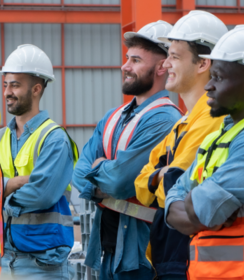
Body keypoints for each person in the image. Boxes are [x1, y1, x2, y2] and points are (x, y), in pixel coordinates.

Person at [72, 21, 182, 279]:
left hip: (143, 255)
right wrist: (102, 180)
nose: (125, 66)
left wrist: (98, 171)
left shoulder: (164, 119)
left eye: (135, 60)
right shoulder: (113, 117)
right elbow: (78, 174)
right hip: (109, 251)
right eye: (126, 58)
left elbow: (120, 182)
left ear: (160, 67)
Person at [134, 11, 228, 280]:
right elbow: (142, 187)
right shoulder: (183, 123)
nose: (166, 64)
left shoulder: (211, 120)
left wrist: (159, 177)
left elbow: (178, 190)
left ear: (202, 64)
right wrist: (158, 177)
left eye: (175, 56)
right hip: (169, 257)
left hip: (188, 259)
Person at [0, 44, 79, 280]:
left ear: (36, 89)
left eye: (15, 85)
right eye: (5, 84)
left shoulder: (55, 138)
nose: (7, 91)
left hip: (43, 265)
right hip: (5, 259)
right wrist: (10, 185)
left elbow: (42, 194)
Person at [165, 25, 244, 279]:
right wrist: (196, 205)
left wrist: (191, 201)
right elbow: (172, 202)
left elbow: (199, 208)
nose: (208, 85)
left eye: (219, 77)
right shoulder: (217, 136)